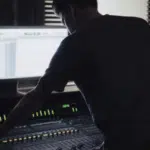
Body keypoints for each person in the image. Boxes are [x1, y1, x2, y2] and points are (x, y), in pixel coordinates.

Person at [1, 0, 150, 149]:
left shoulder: (74, 43)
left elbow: (36, 97)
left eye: (62, 19)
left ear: (71, 10)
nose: (66, 25)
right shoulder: (139, 25)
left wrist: (4, 129)